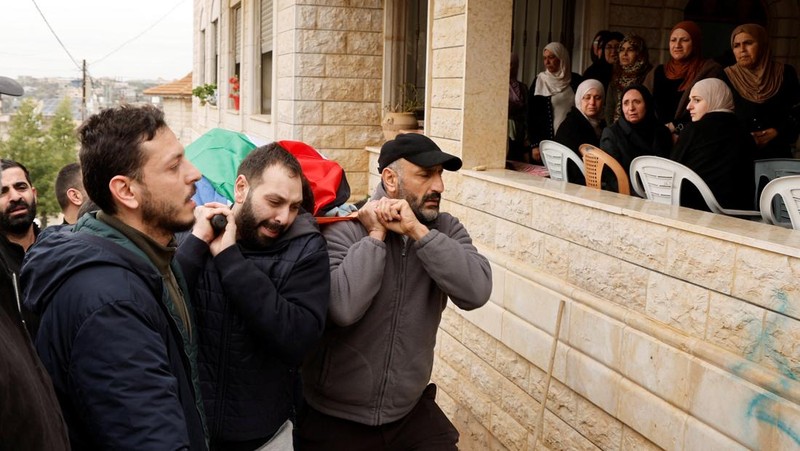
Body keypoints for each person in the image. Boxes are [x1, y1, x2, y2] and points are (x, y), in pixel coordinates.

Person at [21, 104, 208, 450]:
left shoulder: (154, 257)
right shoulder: (110, 304)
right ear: (125, 191)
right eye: (174, 166)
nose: (194, 173)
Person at [297, 133, 492, 450]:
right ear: (390, 178)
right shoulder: (345, 227)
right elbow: (342, 308)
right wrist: (375, 236)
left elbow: (477, 291)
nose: (439, 186)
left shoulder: (445, 230)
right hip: (334, 417)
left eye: (440, 174)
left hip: (408, 414)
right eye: (426, 175)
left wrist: (418, 233)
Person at [176, 143, 330, 450]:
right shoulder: (191, 232)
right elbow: (157, 307)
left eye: (294, 206)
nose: (283, 218)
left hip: (264, 437)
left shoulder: (306, 249)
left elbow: (297, 340)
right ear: (242, 188)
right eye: (274, 201)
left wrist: (230, 259)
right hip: (187, 430)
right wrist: (195, 246)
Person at [0, 157, 69, 448]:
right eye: (2, 191)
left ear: (34, 192)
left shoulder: (62, 252)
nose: (15, 196)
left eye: (20, 186)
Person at [670, 78, 756, 211]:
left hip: (693, 210)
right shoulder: (746, 133)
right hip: (738, 212)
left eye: (696, 100)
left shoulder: (694, 129)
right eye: (690, 100)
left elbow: (672, 169)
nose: (688, 106)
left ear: (714, 99)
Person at [722, 23, 800, 159]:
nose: (742, 50)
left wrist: (777, 131)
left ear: (762, 45)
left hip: (777, 153)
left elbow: (797, 110)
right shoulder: (726, 76)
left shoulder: (785, 73)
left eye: (748, 43)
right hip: (738, 154)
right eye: (736, 45)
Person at [644, 21, 722, 134]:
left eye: (684, 40)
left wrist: (677, 126)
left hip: (693, 136)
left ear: (695, 43)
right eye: (673, 40)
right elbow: (643, 103)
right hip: (656, 137)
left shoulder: (709, 70)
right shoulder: (657, 71)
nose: (677, 45)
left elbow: (712, 109)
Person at [601, 85, 672, 192]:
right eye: (626, 103)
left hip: (662, 193)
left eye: (637, 102)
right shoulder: (613, 133)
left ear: (647, 104)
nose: (631, 108)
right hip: (626, 196)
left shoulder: (662, 132)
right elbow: (612, 176)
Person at [527, 42, 584, 163]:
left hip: (571, 139)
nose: (547, 62)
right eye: (545, 58)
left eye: (551, 57)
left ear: (561, 58)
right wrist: (535, 144)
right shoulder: (540, 81)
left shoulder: (576, 80)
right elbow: (531, 115)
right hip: (547, 141)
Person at [554, 78, 606, 184]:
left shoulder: (600, 123)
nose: (592, 102)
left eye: (597, 98)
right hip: (575, 183)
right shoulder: (572, 125)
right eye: (587, 98)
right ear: (579, 100)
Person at [605, 34, 652, 123]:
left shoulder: (648, 77)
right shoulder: (615, 80)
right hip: (617, 131)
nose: (624, 54)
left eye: (630, 50)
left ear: (639, 53)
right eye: (622, 50)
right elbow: (609, 110)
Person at [507, 53, 530, 162]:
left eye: (511, 64)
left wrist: (526, 137)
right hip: (505, 131)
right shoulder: (498, 87)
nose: (508, 67)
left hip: (520, 132)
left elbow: (527, 113)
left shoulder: (522, 88)